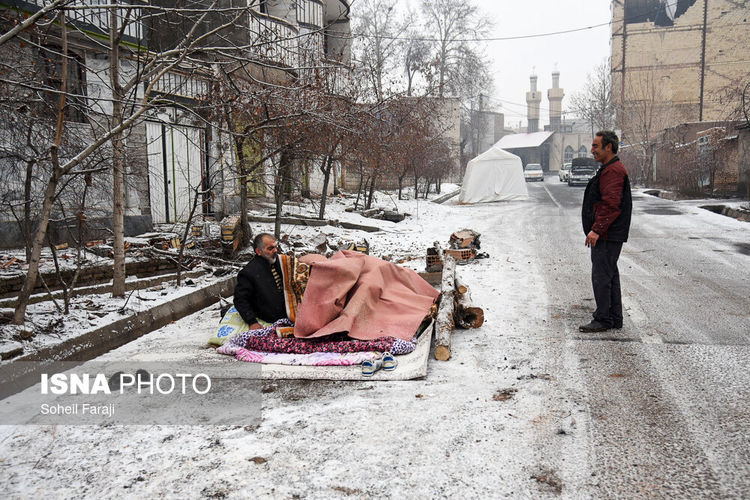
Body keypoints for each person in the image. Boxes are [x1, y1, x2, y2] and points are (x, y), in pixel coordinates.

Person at [580, 130, 632, 333]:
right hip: (609, 233)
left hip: (608, 234)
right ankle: (613, 317)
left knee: (602, 276)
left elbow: (611, 205)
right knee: (609, 274)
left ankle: (603, 318)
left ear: (608, 147)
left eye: (595, 146)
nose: (592, 150)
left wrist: (597, 230)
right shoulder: (609, 168)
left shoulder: (613, 171)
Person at [234, 233, 288, 330]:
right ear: (259, 251)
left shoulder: (280, 261)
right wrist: (252, 322)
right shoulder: (249, 272)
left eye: (276, 247)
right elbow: (240, 299)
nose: (275, 251)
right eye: (270, 248)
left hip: (289, 313)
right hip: (269, 317)